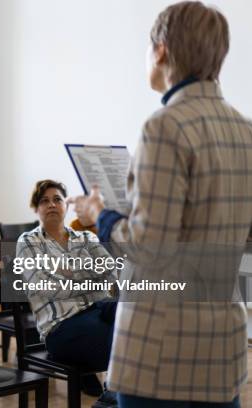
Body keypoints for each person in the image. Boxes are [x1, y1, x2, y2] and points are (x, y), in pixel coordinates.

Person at [68, 2, 252, 407]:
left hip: (162, 344)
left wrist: (99, 214)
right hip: (223, 342)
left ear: (162, 49)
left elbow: (149, 247)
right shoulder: (245, 129)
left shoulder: (164, 125)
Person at [16, 180, 118, 408]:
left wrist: (68, 272)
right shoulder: (28, 242)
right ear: (36, 208)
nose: (51, 204)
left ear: (66, 205)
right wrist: (91, 278)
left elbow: (112, 273)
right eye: (44, 200)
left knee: (131, 310)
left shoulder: (86, 238)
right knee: (120, 335)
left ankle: (113, 394)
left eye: (57, 199)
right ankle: (112, 396)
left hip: (97, 309)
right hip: (62, 327)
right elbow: (47, 287)